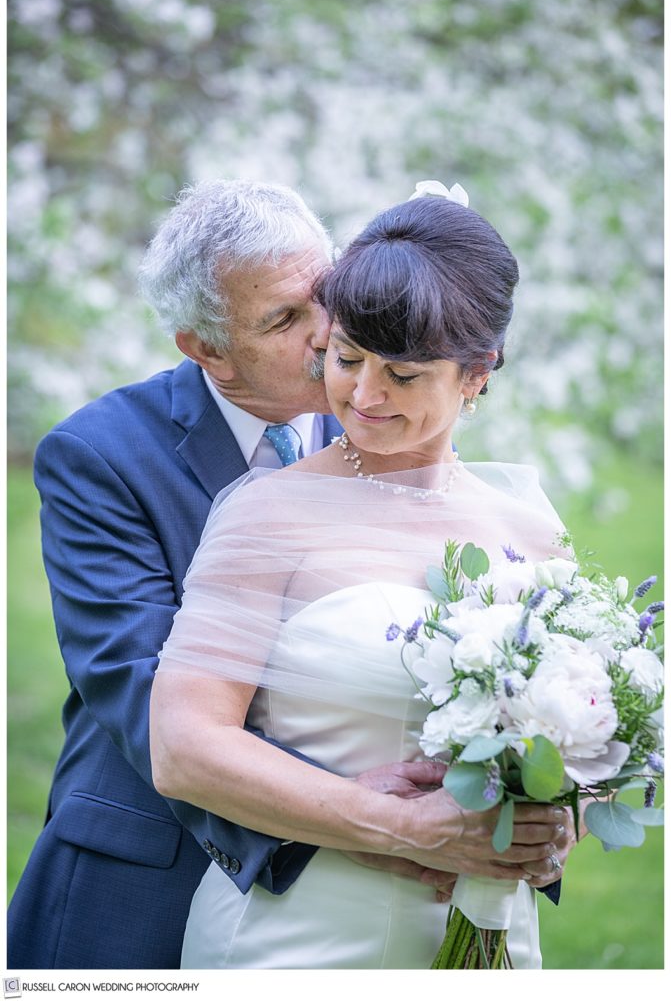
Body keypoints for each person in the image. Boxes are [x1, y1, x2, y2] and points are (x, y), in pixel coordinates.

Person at [8, 179, 465, 970]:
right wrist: (360, 815)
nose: (328, 334)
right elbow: (142, 691)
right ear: (204, 347)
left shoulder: (379, 421)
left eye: (324, 295)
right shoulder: (100, 457)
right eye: (283, 320)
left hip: (359, 907)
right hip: (149, 876)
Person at [150, 183, 576, 970]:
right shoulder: (268, 513)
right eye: (347, 358)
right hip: (297, 937)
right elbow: (184, 747)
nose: (364, 395)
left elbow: (576, 731)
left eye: (405, 377)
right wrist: (400, 826)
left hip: (490, 927)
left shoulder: (531, 531)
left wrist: (558, 818)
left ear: (476, 375)